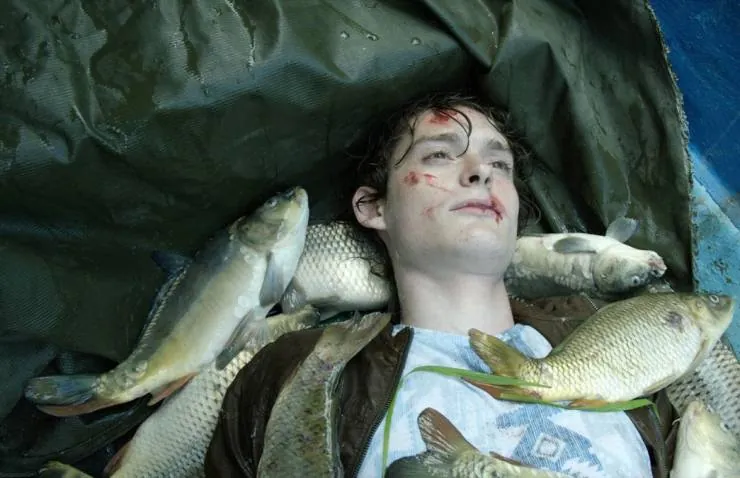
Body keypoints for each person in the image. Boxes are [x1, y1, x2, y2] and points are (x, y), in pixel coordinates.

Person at [203, 92, 674, 478]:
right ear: (374, 207)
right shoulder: (299, 368)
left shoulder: (615, 328)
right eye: (440, 155)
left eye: (500, 164)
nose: (480, 172)